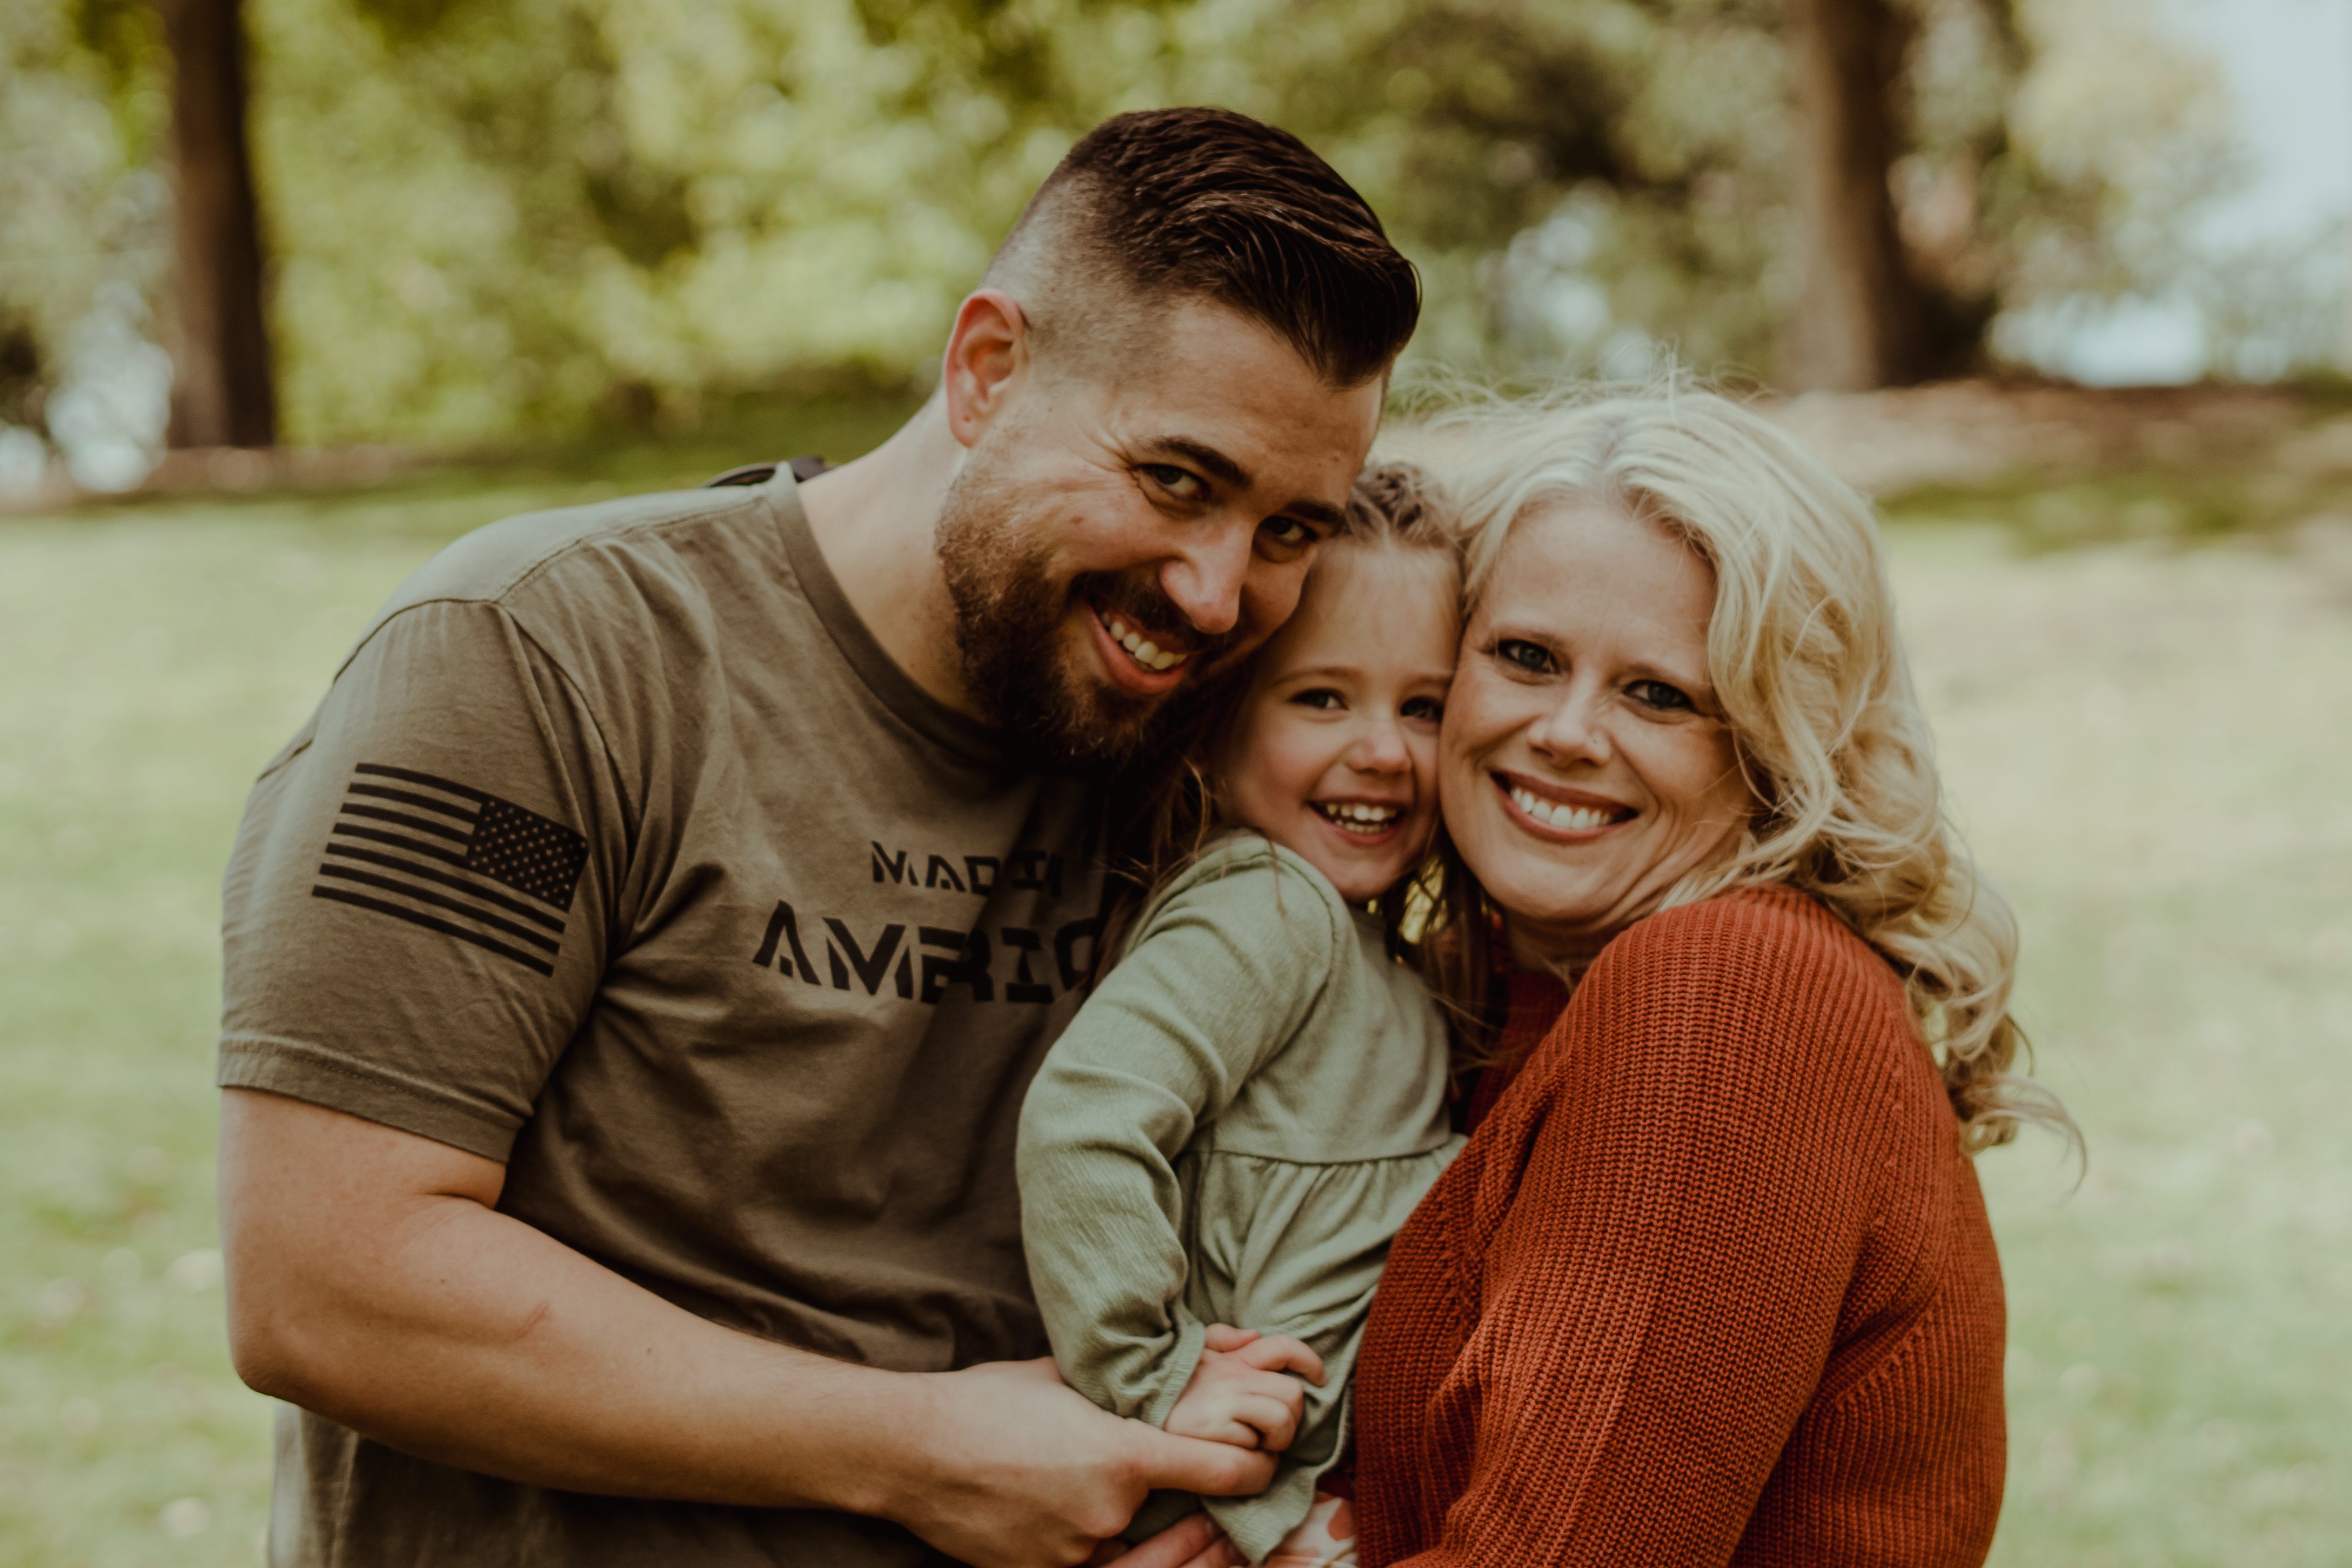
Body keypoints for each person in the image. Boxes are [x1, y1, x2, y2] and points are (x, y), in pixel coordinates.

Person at [212, 106, 1419, 1568]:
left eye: (1291, 528)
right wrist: (919, 1452)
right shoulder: (541, 667)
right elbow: (328, 1280)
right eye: (1176, 479)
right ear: (988, 369)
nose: (1219, 591)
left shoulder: (1209, 741)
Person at [1349, 389, 2066, 1565]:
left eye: (1658, 693)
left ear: (1773, 750)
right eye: (1524, 656)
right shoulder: (1518, 999)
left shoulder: (1728, 994)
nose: (1568, 731)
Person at [1018, 467, 1462, 1568]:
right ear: (1217, 726)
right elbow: (1085, 1119)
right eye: (1322, 698)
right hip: (1229, 1500)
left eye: (1426, 707)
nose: (1385, 752)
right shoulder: (1271, 908)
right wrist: (1157, 1374)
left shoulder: (1362, 939)